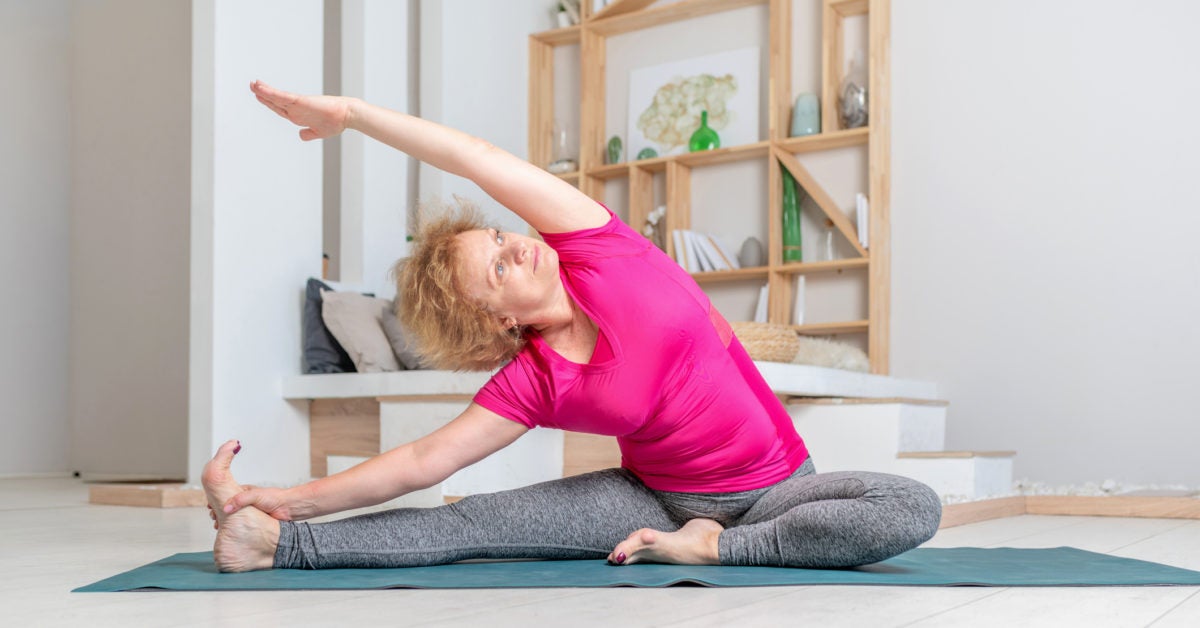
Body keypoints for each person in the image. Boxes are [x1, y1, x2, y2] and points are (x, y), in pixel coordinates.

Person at [201, 80, 942, 573]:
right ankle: (275, 544)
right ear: (494, 317)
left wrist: (355, 115)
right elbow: (423, 462)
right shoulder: (533, 379)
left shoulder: (598, 244)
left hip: (778, 489)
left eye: (497, 238)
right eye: (496, 269)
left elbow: (477, 159)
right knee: (469, 524)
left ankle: (720, 550)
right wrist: (278, 501)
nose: (515, 245)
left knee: (910, 507)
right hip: (653, 498)